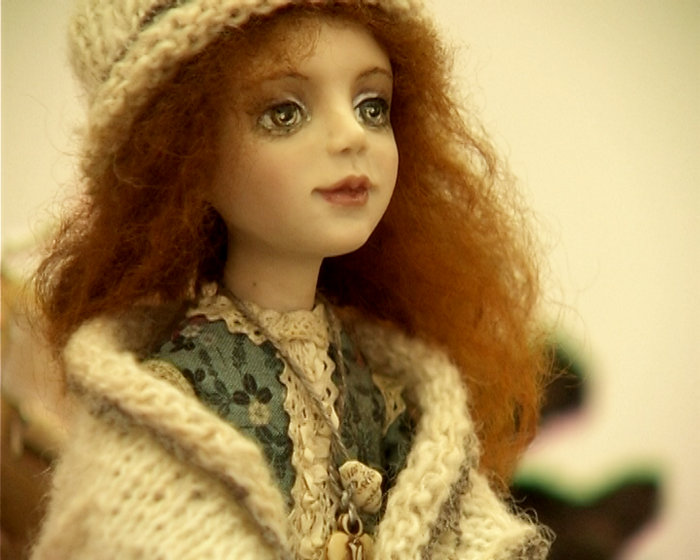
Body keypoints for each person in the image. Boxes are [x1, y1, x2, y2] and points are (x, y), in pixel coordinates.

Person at [31, 0, 552, 558]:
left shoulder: (390, 385)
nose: (351, 135)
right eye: (284, 113)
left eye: (372, 107)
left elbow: (462, 526)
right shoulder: (166, 397)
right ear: (185, 154)